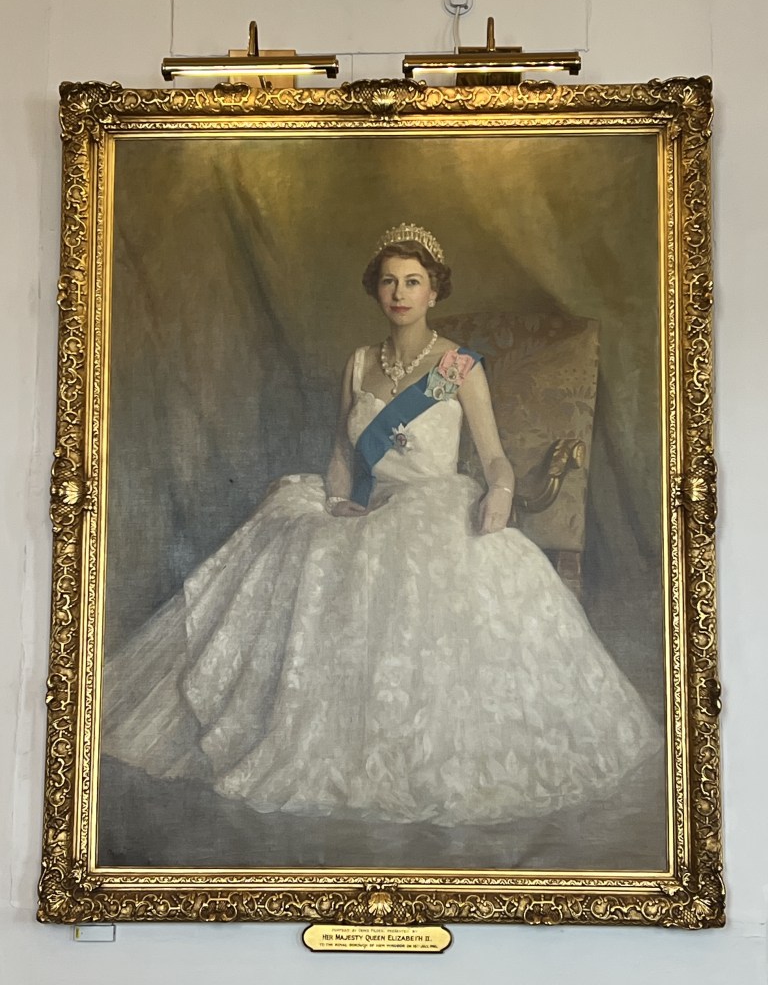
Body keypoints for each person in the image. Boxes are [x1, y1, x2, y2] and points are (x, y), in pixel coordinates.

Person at [102, 223, 661, 828]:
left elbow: (494, 454)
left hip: (433, 510)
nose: (400, 292)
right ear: (377, 291)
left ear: (433, 293)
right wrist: (337, 503)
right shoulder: (359, 363)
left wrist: (501, 489)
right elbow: (343, 452)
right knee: (300, 546)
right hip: (367, 504)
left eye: (413, 282)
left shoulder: (456, 367)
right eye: (390, 281)